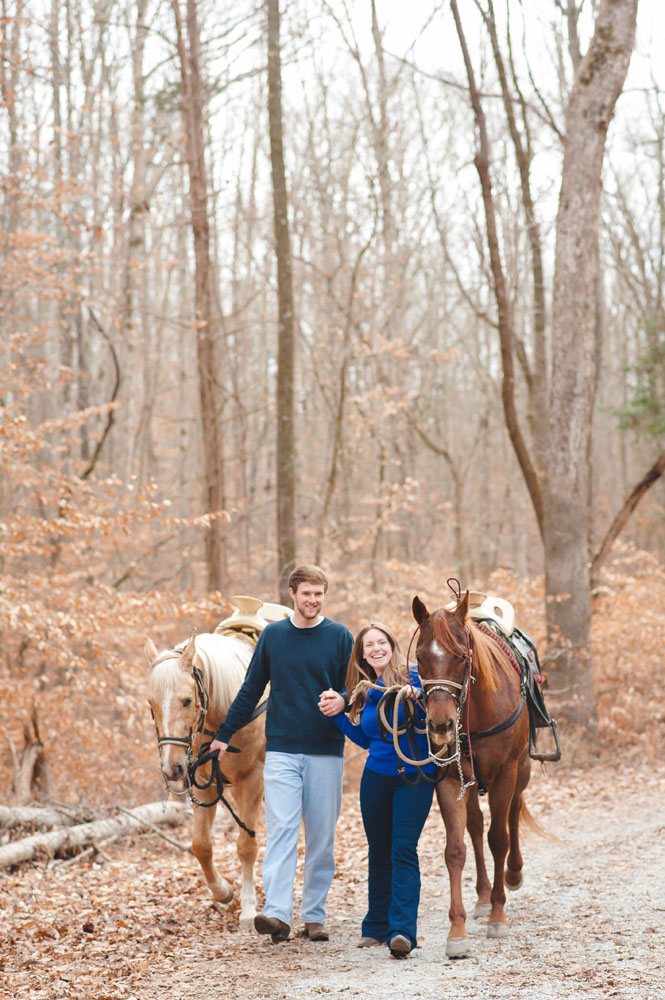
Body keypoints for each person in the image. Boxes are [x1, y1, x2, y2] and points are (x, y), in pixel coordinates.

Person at [210, 564, 352, 944]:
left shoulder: (339, 636)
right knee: (282, 832)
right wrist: (223, 734)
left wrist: (344, 700)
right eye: (306, 593)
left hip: (326, 751)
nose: (313, 600)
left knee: (321, 838)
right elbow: (251, 688)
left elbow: (355, 688)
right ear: (292, 593)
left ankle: (315, 916)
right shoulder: (273, 636)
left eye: (319, 594)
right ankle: (276, 914)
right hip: (283, 752)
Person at [318, 622, 435, 958]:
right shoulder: (363, 689)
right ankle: (375, 927)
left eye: (381, 642)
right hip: (376, 778)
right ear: (362, 653)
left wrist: (421, 699)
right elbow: (367, 738)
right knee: (379, 850)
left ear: (391, 645)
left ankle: (402, 932)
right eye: (369, 645)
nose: (376, 649)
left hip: (414, 776)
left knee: (402, 849)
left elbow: (441, 712)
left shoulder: (416, 676)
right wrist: (339, 714)